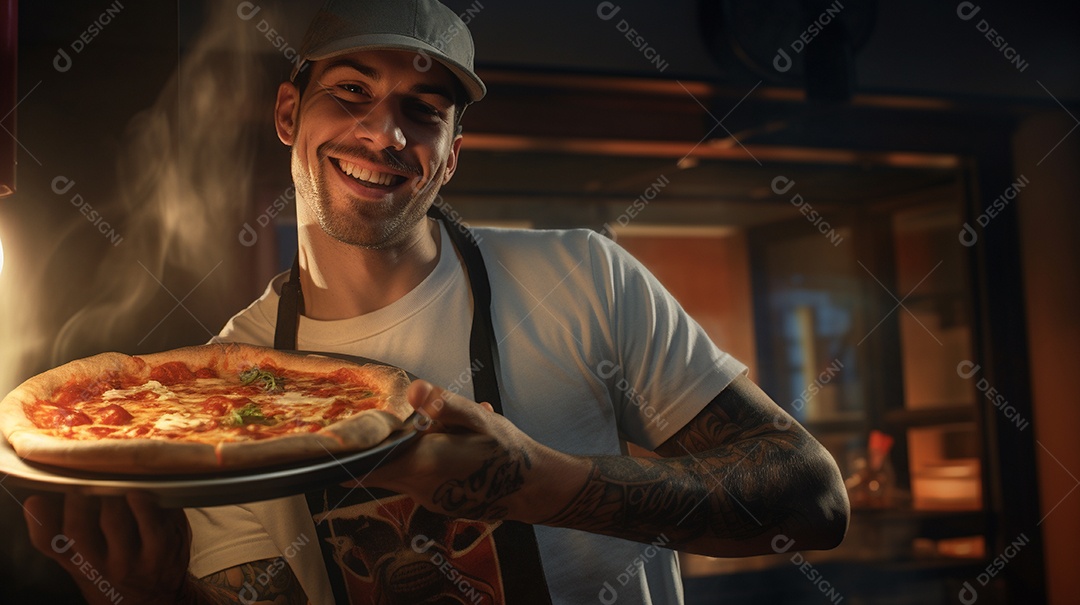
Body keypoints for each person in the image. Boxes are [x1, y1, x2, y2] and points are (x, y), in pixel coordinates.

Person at [23, 0, 849, 603]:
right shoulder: (218, 392)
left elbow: (812, 501)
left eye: (423, 112)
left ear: (451, 156)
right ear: (288, 113)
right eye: (351, 92)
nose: (385, 134)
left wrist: (539, 482)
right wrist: (148, 595)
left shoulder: (584, 276)